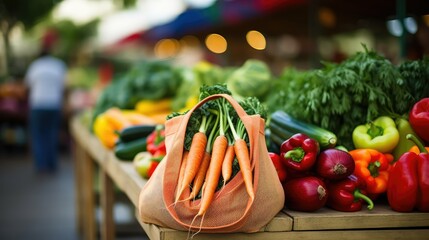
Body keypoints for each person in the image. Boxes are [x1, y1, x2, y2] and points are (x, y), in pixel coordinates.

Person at [24, 47, 67, 173]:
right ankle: (51, 164)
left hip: (38, 104)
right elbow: (64, 87)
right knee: (52, 134)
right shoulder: (58, 65)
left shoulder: (35, 66)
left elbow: (27, 86)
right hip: (54, 105)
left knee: (38, 135)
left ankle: (41, 165)